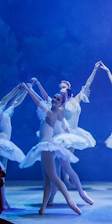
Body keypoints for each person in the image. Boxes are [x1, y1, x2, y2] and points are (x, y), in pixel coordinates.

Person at [19, 84, 84, 215]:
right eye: (54, 98)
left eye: (57, 99)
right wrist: (31, 88)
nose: (54, 100)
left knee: (54, 177)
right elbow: (42, 100)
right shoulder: (54, 112)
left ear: (61, 104)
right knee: (47, 179)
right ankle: (43, 207)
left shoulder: (52, 113)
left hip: (47, 147)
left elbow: (38, 102)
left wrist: (28, 89)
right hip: (46, 146)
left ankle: (71, 202)